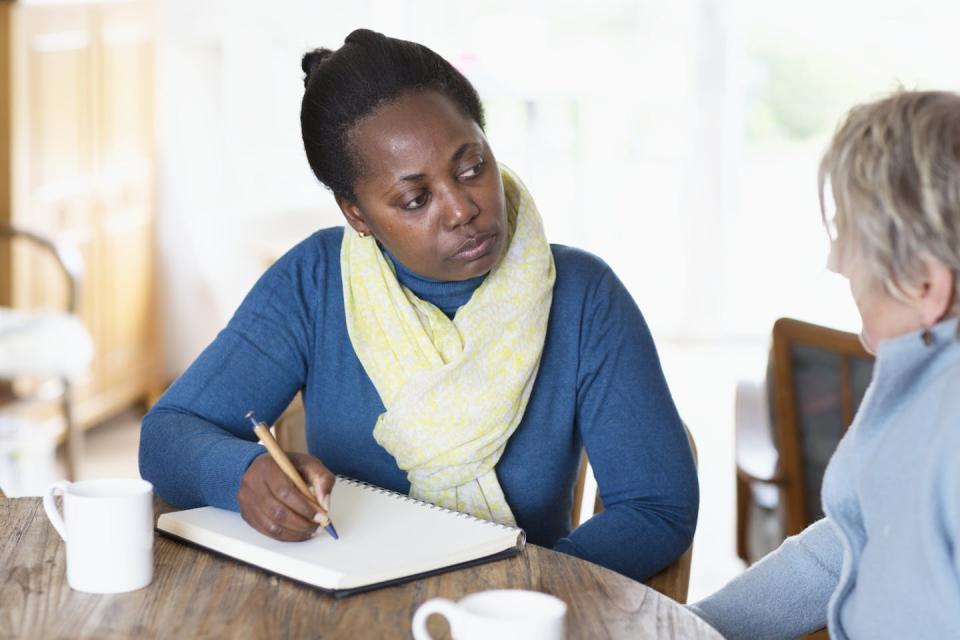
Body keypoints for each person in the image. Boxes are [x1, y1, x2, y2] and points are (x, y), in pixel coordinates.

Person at [139, 28, 698, 583]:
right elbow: (168, 433)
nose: (461, 209)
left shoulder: (582, 296)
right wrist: (244, 473)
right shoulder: (315, 281)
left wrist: (514, 592)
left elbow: (656, 507)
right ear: (356, 214)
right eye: (415, 199)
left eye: (472, 167)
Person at [690, 90, 960, 637]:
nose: (835, 261)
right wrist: (687, 628)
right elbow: (843, 543)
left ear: (927, 286)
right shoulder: (917, 374)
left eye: (851, 241)